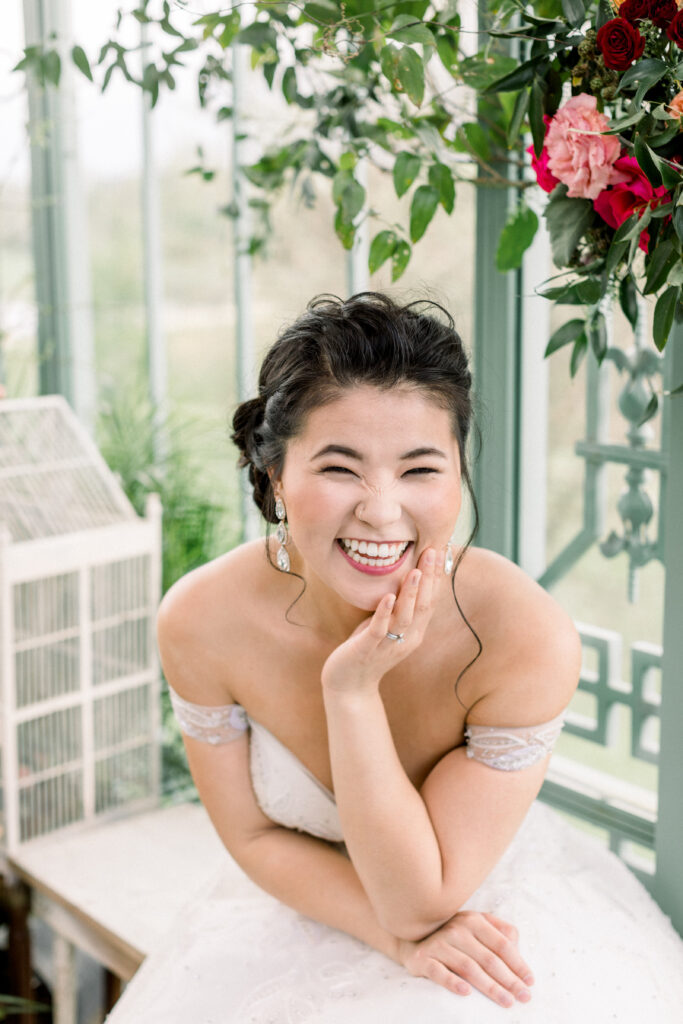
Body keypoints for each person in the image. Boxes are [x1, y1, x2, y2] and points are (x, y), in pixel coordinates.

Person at [109, 293, 683, 1023]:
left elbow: (421, 900)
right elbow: (253, 836)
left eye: (419, 470)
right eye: (340, 468)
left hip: (478, 910)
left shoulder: (522, 638)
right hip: (307, 906)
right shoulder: (201, 620)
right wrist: (396, 941)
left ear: (458, 472)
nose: (382, 510)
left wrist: (351, 693)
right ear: (276, 476)